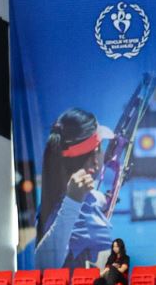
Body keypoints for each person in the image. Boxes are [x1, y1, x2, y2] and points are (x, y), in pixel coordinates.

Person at [36, 108, 113, 270]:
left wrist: (98, 199)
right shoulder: (74, 208)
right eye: (101, 148)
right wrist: (73, 202)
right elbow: (44, 267)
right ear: (94, 160)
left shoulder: (58, 199)